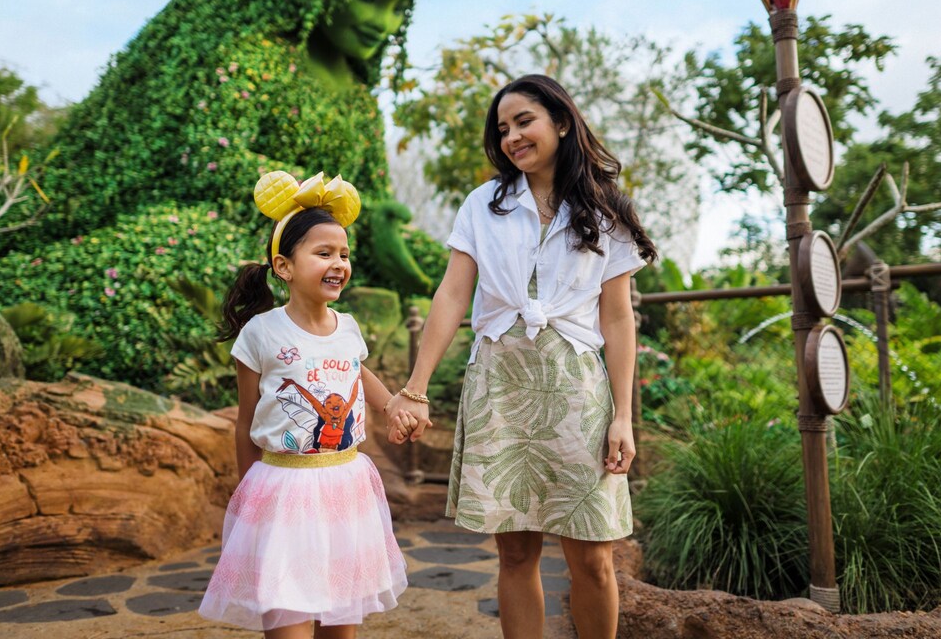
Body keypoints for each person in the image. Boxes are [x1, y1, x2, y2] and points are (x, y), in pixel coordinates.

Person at [386, 74, 658, 638]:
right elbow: (453, 294)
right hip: (500, 386)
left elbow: (617, 317)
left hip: (577, 391)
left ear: (561, 122)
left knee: (593, 559)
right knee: (515, 555)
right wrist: (414, 387)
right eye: (503, 129)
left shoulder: (605, 210)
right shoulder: (483, 205)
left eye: (524, 122)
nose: (511, 136)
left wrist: (624, 418)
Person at [199, 171, 420, 638]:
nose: (338, 262)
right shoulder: (261, 333)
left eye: (343, 253)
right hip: (281, 492)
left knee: (341, 623)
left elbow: (358, 372)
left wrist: (392, 407)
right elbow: (244, 423)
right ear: (284, 266)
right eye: (323, 253)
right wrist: (247, 497)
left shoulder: (348, 327)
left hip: (347, 487)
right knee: (289, 618)